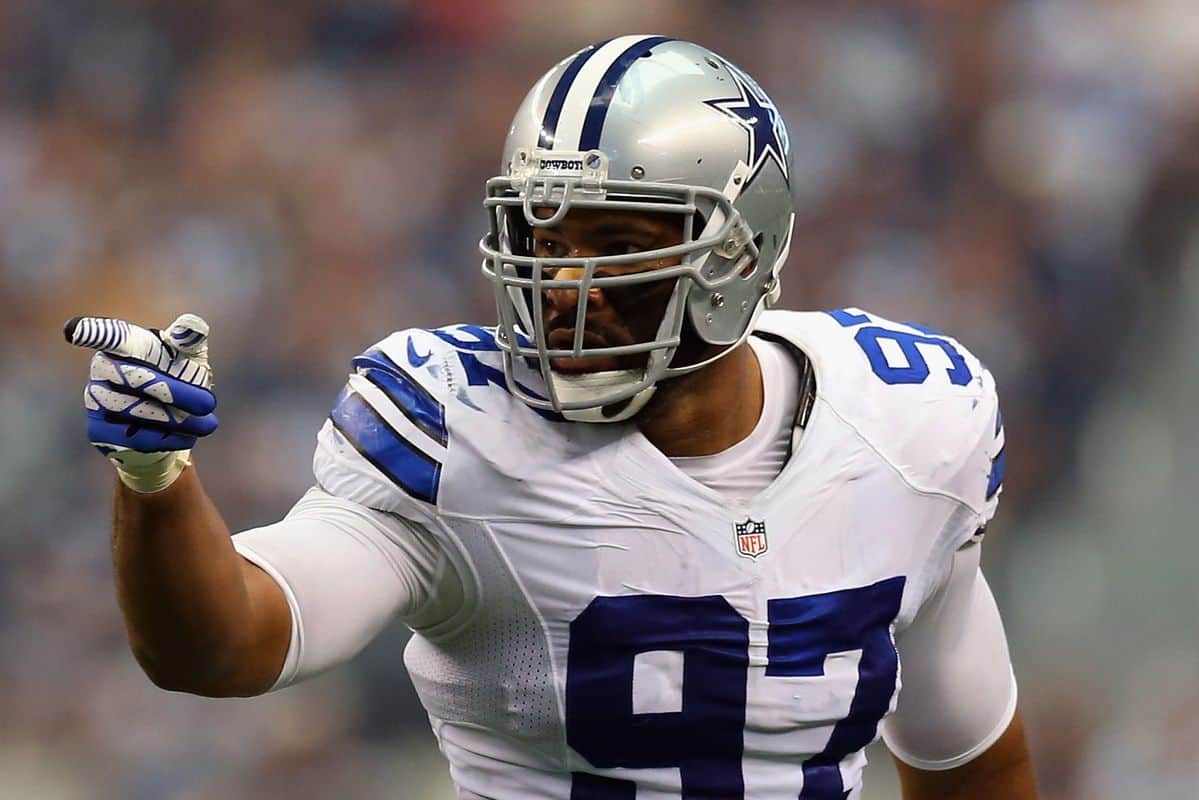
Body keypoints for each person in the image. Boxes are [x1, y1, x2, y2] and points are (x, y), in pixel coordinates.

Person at [67, 35, 1038, 800]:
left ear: (739, 256)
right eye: (544, 240)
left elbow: (971, 759)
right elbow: (223, 639)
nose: (568, 287)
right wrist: (157, 481)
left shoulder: (910, 425)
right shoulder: (455, 431)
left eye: (617, 243)